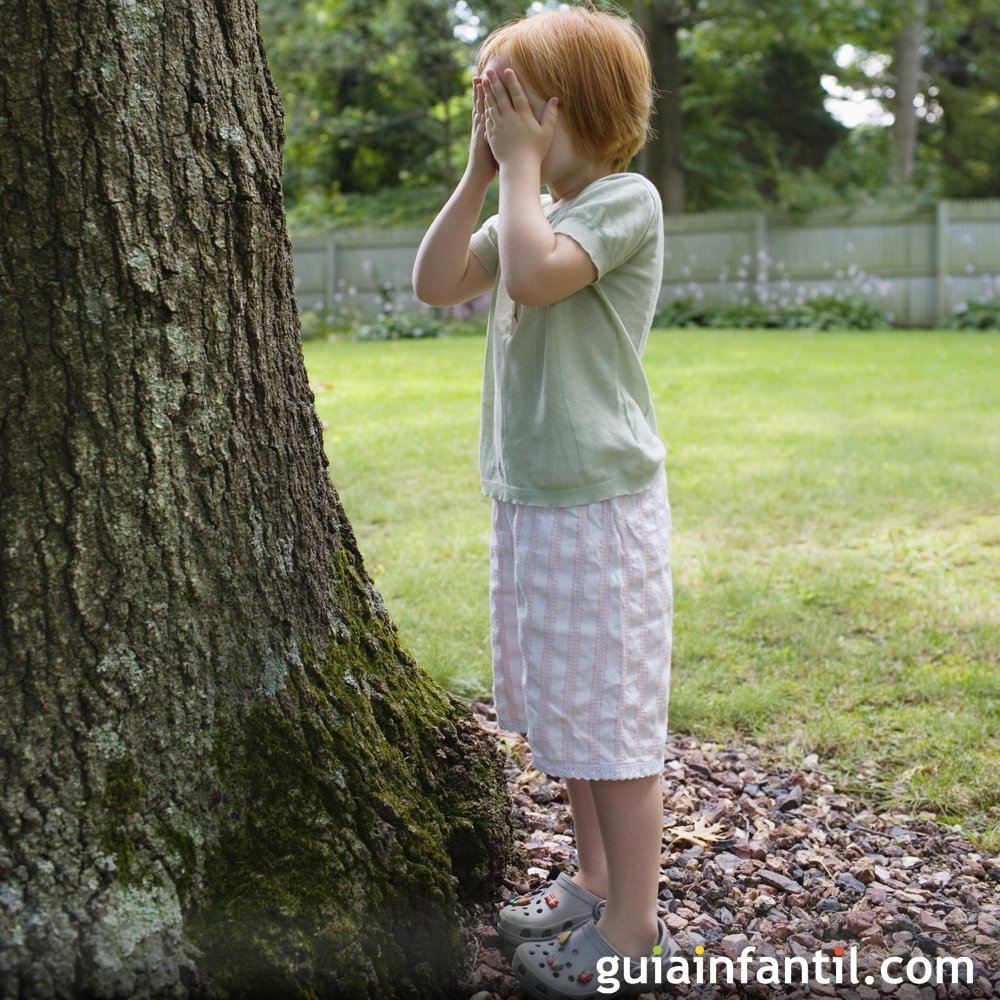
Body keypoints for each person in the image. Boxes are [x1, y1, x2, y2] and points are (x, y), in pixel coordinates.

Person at [412, 6, 676, 997]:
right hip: (534, 502)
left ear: (569, 108)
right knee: (572, 716)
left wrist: (518, 172)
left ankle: (634, 927)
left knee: (613, 725)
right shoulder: (525, 205)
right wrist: (483, 170)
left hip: (599, 510)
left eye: (510, 101)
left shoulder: (620, 202)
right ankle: (597, 884)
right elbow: (437, 282)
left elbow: (528, 273)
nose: (498, 118)